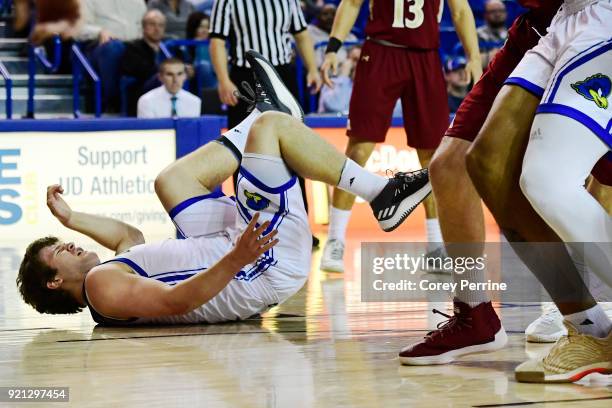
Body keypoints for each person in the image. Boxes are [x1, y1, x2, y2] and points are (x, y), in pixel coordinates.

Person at [16, 51, 431, 326]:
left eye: (62, 241)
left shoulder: (108, 280)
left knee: (169, 182)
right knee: (271, 132)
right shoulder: (100, 288)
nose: (67, 245)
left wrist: (72, 217)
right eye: (57, 252)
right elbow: (175, 302)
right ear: (54, 282)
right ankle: (381, 194)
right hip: (261, 259)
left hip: (233, 248)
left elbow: (130, 238)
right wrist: (236, 258)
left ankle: (263, 116)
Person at [400, 0, 612, 382]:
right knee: (472, 162)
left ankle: (593, 313)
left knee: (563, 179)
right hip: (550, 23)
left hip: (596, 19)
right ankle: (586, 327)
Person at [319, 0, 482, 273]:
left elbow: (461, 10)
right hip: (381, 52)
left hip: (425, 56)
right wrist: (333, 49)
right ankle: (335, 240)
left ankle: (435, 245)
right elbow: (350, 4)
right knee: (359, 148)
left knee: (432, 156)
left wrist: (474, 57)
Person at [209, 0, 323, 247]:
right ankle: (247, 228)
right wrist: (223, 79)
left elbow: (301, 34)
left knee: (295, 151)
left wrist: (313, 68)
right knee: (243, 149)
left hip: (283, 74)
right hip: (245, 75)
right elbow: (217, 40)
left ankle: (300, 227)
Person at [121, 10, 168, 116]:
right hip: (142, 89)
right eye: (152, 24)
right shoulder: (133, 47)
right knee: (165, 76)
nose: (157, 29)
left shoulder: (171, 47)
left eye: (160, 25)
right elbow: (137, 69)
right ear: (143, 27)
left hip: (168, 90)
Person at [137, 58, 202, 118]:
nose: (175, 80)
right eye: (170, 74)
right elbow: (148, 129)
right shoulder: (146, 101)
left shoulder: (195, 101)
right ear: (160, 77)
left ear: (185, 76)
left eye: (179, 74)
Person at [307, 4, 358, 68]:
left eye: (333, 14)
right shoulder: (308, 31)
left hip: (343, 72)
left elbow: (356, 49)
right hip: (318, 72)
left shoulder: (346, 34)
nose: (330, 17)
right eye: (325, 14)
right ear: (318, 16)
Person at [76, 0, 146, 45]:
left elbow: (143, 28)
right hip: (102, 45)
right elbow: (78, 28)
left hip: (133, 47)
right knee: (114, 47)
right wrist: (99, 32)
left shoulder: (139, 2)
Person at [477, 0, 508, 68]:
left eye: (501, 11)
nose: (498, 14)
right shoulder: (477, 35)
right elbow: (474, 61)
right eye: (493, 11)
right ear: (485, 15)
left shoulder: (512, 34)